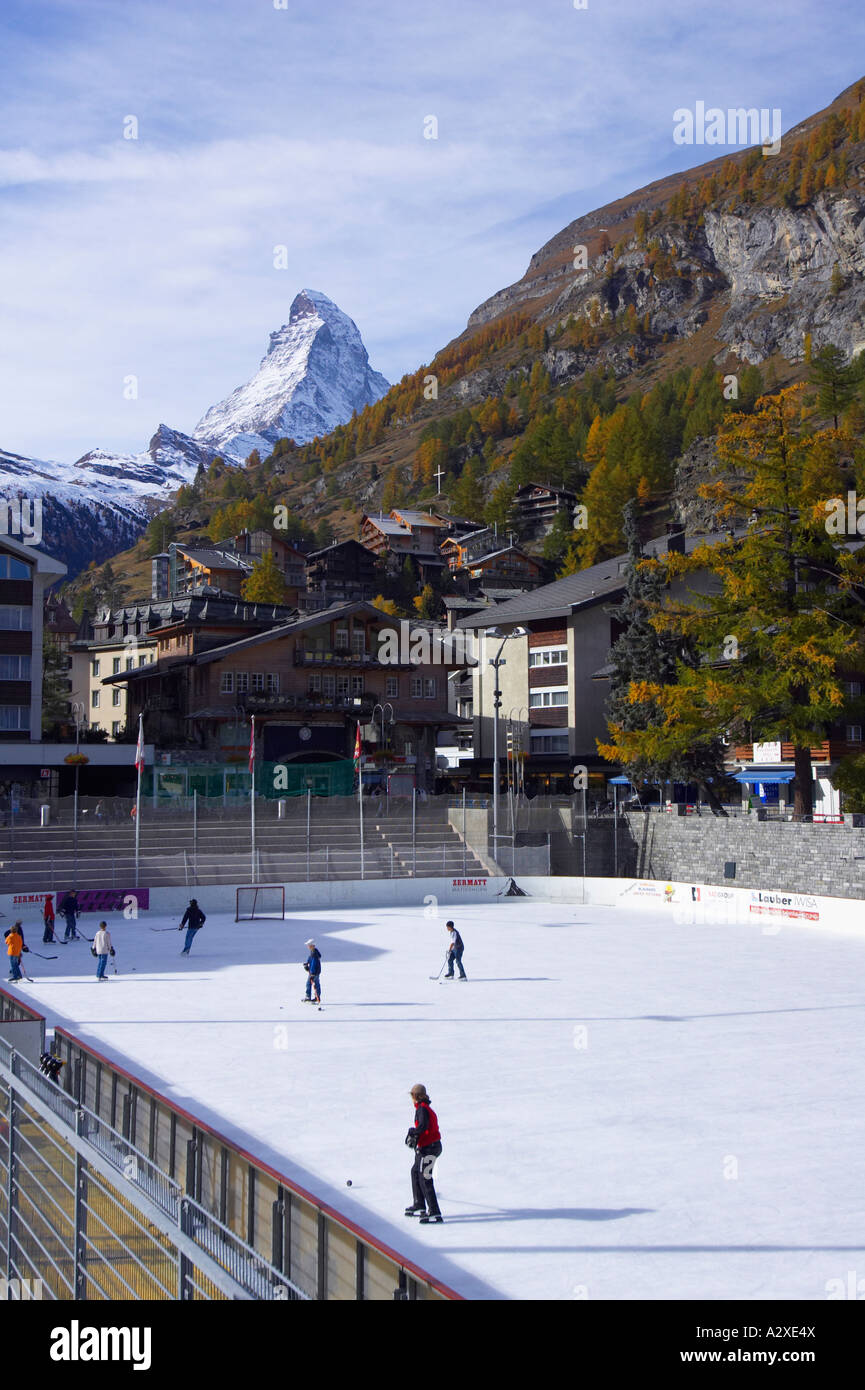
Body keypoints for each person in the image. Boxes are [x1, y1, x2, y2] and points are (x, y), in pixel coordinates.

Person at [404, 1083, 443, 1223]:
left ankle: (434, 1212)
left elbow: (423, 1126)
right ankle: (419, 1203)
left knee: (425, 1177)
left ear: (415, 1096)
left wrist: (413, 1132)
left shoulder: (422, 1109)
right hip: (427, 1147)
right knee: (415, 1171)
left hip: (430, 1148)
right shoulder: (423, 1108)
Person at [303, 938, 321, 1003]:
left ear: (312, 946)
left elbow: (314, 964)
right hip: (313, 971)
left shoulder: (314, 954)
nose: (308, 946)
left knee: (315, 984)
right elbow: (310, 960)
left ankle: (317, 997)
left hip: (314, 972)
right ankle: (309, 996)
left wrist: (312, 973)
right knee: (309, 983)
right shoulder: (312, 952)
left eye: (309, 945)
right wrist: (307, 964)